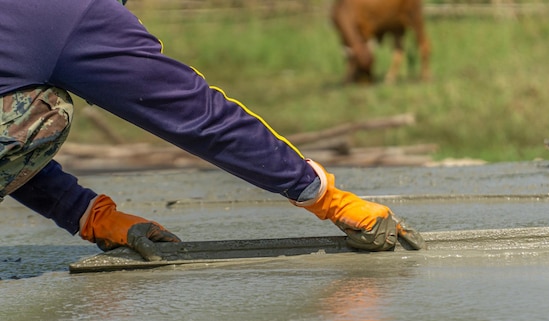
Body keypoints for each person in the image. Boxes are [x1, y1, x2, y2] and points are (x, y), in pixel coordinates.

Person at [0, 0, 425, 262]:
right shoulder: (69, 12)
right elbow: (196, 115)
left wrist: (86, 214)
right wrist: (324, 197)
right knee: (45, 112)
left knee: (28, 110)